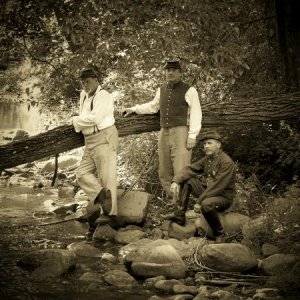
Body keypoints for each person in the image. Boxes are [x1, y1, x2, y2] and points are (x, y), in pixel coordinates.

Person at [122, 59, 202, 202]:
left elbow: (196, 113)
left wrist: (192, 135)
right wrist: (133, 109)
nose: (170, 73)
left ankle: (182, 206)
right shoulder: (161, 89)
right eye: (167, 70)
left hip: (181, 132)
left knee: (181, 170)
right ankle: (173, 202)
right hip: (163, 132)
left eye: (173, 70)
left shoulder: (190, 90)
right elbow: (153, 107)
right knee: (164, 171)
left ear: (179, 72)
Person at [164, 130, 236, 242]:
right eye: (204, 144)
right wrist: (175, 181)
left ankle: (219, 234)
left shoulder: (226, 162)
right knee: (188, 179)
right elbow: (190, 169)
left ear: (218, 145)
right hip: (210, 193)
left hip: (223, 197)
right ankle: (179, 214)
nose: (206, 146)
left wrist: (199, 202)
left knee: (206, 204)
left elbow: (217, 186)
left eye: (209, 143)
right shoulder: (208, 159)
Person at [72, 66, 119, 238]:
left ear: (96, 80)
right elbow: (85, 117)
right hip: (89, 140)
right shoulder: (83, 95)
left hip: (104, 136)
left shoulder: (104, 95)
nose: (85, 85)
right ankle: (100, 195)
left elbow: (95, 118)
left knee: (107, 176)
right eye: (83, 82)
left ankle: (110, 216)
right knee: (82, 173)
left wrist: (75, 121)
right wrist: (80, 121)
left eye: (88, 82)